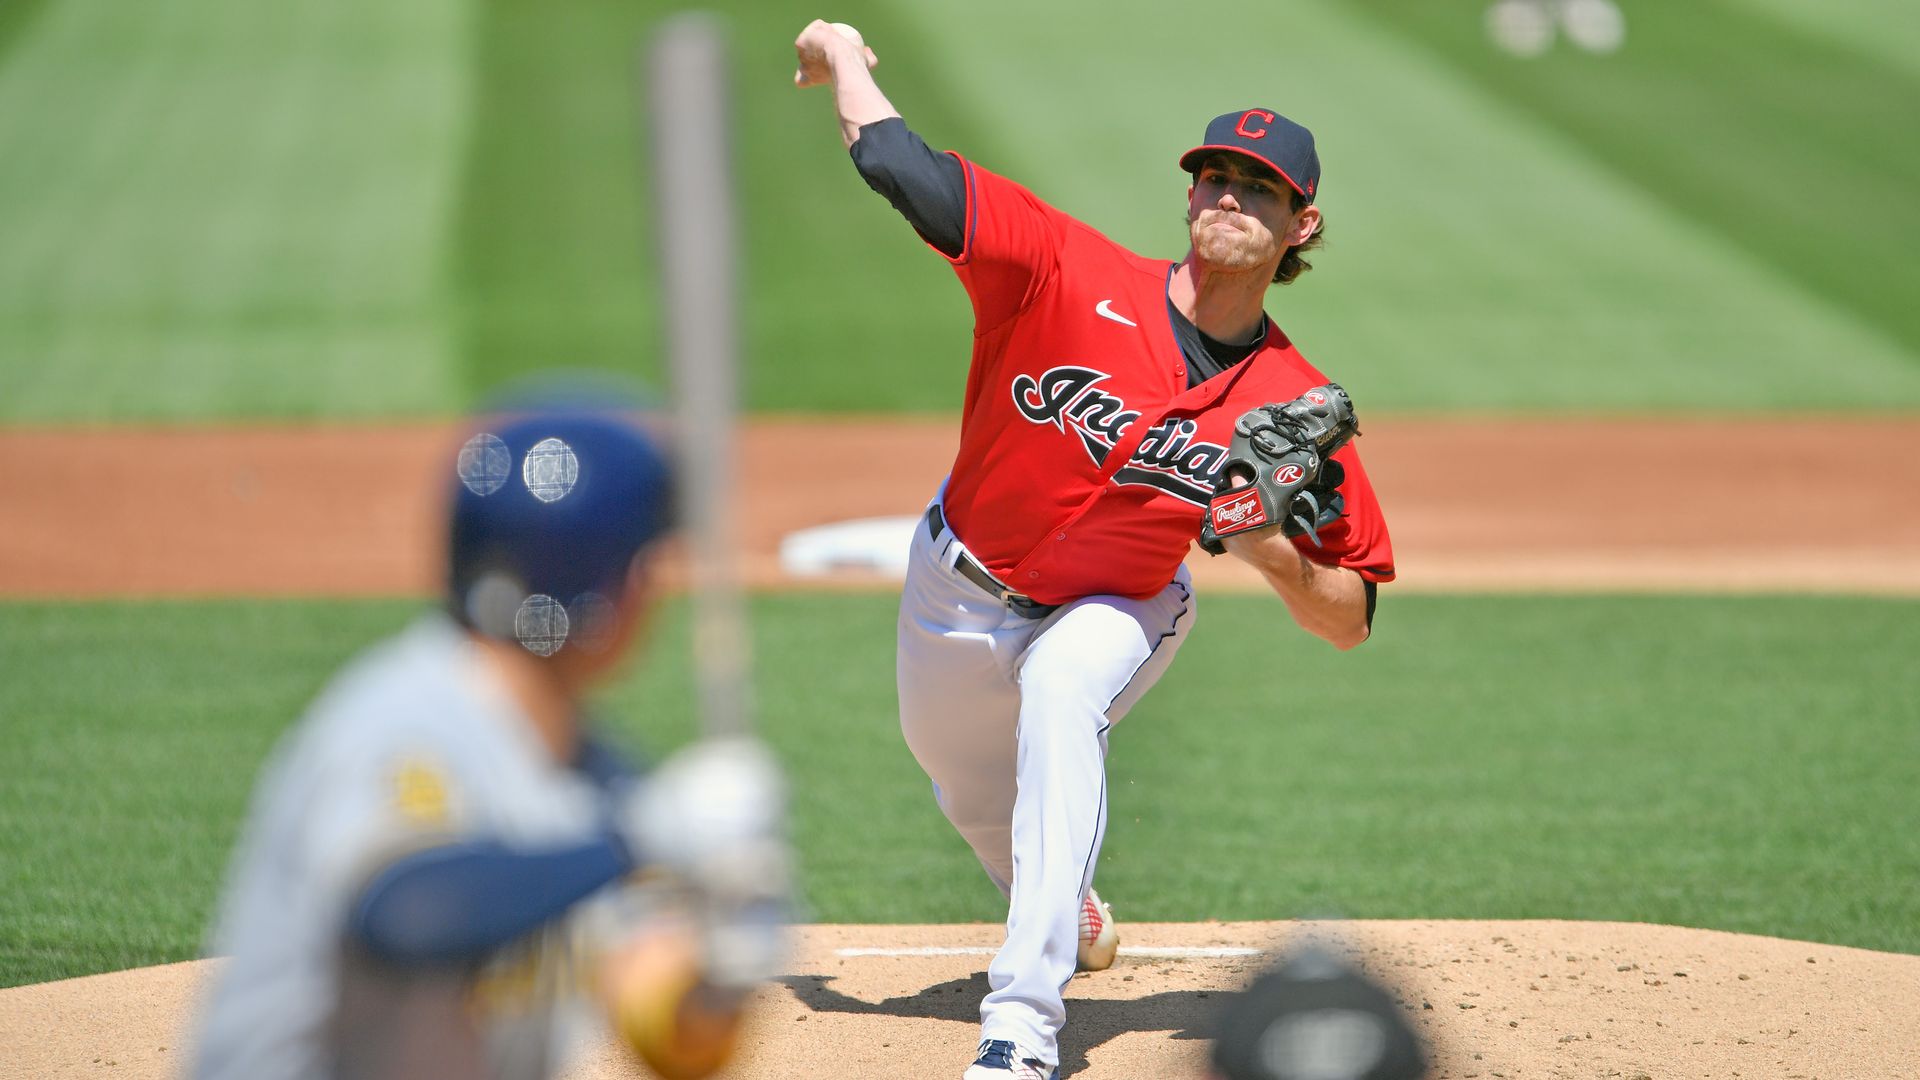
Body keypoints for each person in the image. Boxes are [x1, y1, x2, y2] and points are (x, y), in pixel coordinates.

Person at [794, 20, 1397, 1080]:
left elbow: (1351, 615)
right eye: (1214, 177)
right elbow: (896, 163)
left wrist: (1272, 553)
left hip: (1121, 601)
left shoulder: (1293, 409)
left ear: (1303, 225)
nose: (1227, 198)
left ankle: (1021, 1032)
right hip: (955, 585)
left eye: (1259, 190)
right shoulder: (1064, 269)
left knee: (1064, 691)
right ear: (1188, 196)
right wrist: (842, 52)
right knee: (968, 793)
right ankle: (1064, 904)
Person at [190, 401, 786, 1080]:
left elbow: (661, 1027)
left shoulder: (593, 773)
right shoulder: (404, 720)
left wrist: (720, 976)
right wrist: (636, 841)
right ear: (592, 588)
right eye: (640, 565)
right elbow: (403, 912)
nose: (652, 590)